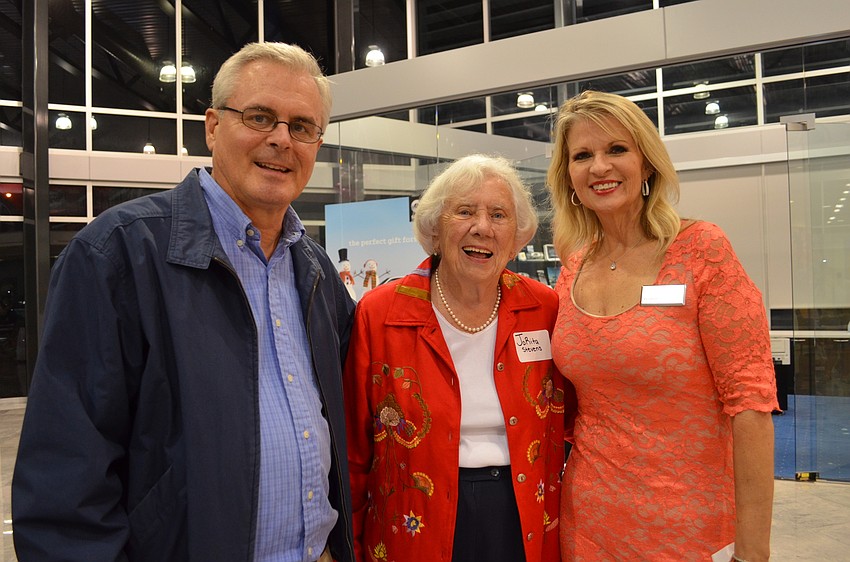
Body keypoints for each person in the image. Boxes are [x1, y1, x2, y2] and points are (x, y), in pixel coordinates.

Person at [12, 42, 356, 562]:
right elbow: (66, 484)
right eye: (260, 116)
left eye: (302, 126)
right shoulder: (117, 255)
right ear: (213, 126)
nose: (281, 140)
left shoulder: (315, 272)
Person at [547, 90, 777, 562]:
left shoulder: (702, 251)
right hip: (587, 518)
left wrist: (753, 551)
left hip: (688, 526)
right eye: (582, 155)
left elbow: (751, 403)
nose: (599, 167)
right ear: (568, 176)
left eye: (617, 149)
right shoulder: (574, 267)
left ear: (647, 163)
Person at [344, 154, 572, 562]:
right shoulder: (381, 314)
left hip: (525, 514)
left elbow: (572, 418)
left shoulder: (544, 308)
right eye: (464, 211)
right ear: (435, 229)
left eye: (498, 215)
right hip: (413, 521)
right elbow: (354, 452)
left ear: (516, 236)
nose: (481, 227)